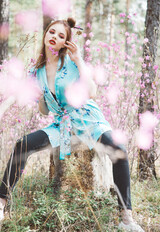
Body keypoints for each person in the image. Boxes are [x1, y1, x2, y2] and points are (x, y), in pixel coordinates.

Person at [0, 18, 144, 231]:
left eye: (61, 36)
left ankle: (126, 218)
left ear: (65, 43)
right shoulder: (36, 71)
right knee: (23, 144)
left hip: (87, 118)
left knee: (119, 149)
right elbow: (44, 111)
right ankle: (1, 203)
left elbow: (93, 93)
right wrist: (39, 98)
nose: (54, 37)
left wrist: (79, 60)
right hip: (61, 124)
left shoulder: (71, 63)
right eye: (52, 32)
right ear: (45, 34)